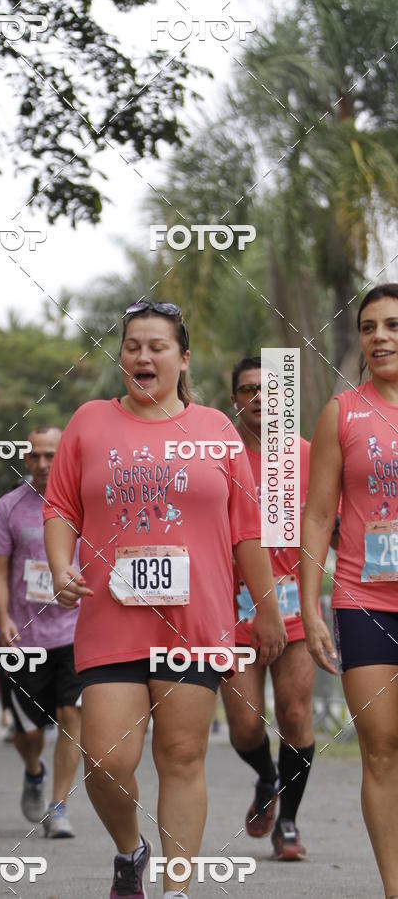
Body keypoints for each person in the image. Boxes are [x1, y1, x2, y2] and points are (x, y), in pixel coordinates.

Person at [43, 300, 287, 899]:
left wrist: (267, 610)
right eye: (132, 346)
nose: (143, 356)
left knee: (181, 756)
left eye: (157, 346)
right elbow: (61, 507)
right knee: (107, 760)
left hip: (195, 622)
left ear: (183, 359)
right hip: (111, 620)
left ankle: (177, 891)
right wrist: (60, 565)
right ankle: (131, 851)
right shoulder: (90, 422)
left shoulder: (216, 430)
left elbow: (246, 531)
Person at [301, 283, 398, 899]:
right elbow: (317, 516)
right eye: (368, 327)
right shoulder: (342, 412)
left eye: (392, 325)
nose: (379, 337)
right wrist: (311, 605)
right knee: (381, 749)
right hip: (366, 601)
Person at [220, 357, 316, 860]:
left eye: (268, 389)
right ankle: (267, 778)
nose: (258, 398)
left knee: (295, 715)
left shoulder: (306, 455)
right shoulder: (218, 454)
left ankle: (290, 824)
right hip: (234, 611)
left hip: (295, 606)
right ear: (234, 399)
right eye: (247, 390)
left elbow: (326, 525)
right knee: (244, 726)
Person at [0, 426, 82, 838]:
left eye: (51, 455)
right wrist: (2, 617)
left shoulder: (84, 500)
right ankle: (33, 770)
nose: (43, 464)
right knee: (28, 733)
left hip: (76, 632)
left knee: (71, 715)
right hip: (24, 637)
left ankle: (58, 808)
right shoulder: (8, 507)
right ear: (25, 459)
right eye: (35, 456)